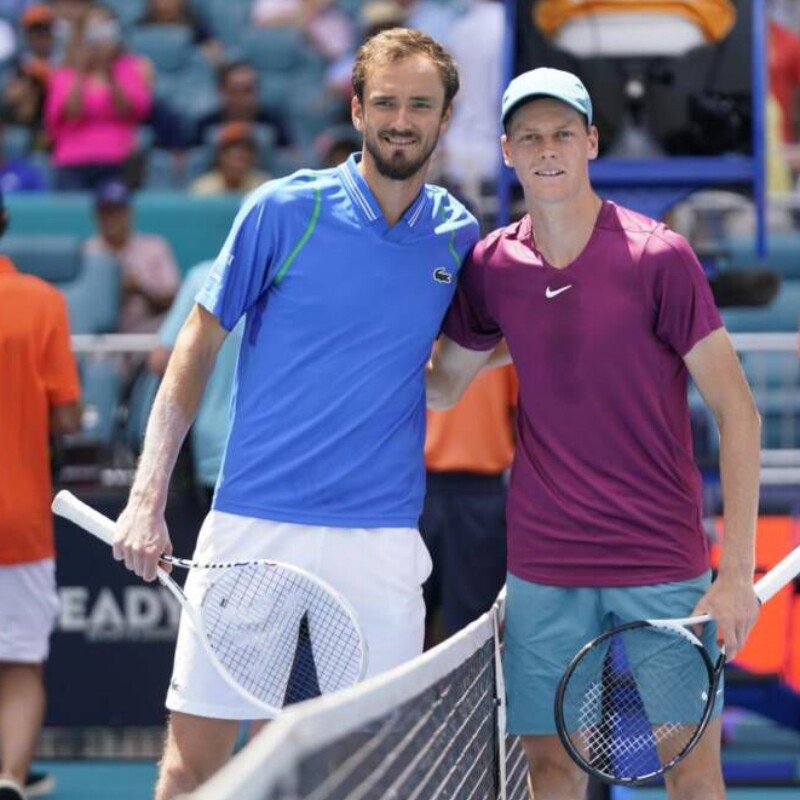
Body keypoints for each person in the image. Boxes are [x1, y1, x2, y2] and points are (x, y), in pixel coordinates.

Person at [112, 28, 478, 799]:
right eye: (386, 102)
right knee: (192, 764)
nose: (401, 120)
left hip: (379, 536)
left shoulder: (459, 236)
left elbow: (456, 370)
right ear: (356, 108)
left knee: (378, 772)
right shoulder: (282, 210)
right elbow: (196, 343)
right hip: (254, 523)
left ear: (446, 118)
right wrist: (146, 498)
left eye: (420, 104)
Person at [427, 67, 762, 800]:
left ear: (592, 143)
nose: (547, 149)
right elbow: (443, 384)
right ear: (508, 153)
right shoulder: (493, 266)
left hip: (662, 560)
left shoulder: (660, 257)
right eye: (529, 137)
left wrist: (734, 573)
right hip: (544, 564)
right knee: (549, 768)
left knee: (693, 771)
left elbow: (740, 415)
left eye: (562, 134)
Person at [0, 188, 82, 800]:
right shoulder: (41, 302)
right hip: (19, 518)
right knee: (21, 663)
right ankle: (8, 779)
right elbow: (69, 418)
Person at [420, 364, 517, 647]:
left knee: (471, 633)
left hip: (481, 494)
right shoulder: (411, 324)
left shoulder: (502, 329)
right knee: (403, 618)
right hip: (414, 490)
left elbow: (518, 411)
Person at [147, 260, 243, 506]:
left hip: (214, 449)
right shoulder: (302, 284)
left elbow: (160, 359)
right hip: (282, 453)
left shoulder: (204, 277)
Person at [44, 4, 153, 190]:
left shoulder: (128, 69)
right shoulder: (64, 74)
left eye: (104, 29)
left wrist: (109, 71)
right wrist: (81, 71)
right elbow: (72, 112)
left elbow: (131, 111)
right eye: (92, 31)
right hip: (72, 161)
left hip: (117, 159)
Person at [84, 180, 180, 334]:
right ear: (96, 215)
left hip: (147, 341)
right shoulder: (87, 252)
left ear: (129, 212)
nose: (111, 217)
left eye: (117, 211)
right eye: (106, 211)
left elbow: (173, 302)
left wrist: (140, 289)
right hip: (99, 344)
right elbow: (81, 309)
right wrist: (112, 292)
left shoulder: (154, 247)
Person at [189, 121, 270, 196]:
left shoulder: (263, 186)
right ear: (220, 158)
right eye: (234, 158)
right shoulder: (203, 188)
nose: (237, 165)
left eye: (242, 159)